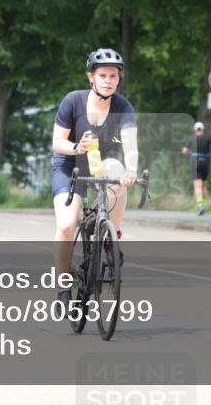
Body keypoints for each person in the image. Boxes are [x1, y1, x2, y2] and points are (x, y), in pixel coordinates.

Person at [51, 48, 138, 306]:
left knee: (119, 173)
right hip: (69, 163)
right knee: (66, 225)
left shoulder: (123, 106)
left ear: (119, 79)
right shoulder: (73, 101)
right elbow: (58, 142)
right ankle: (64, 286)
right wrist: (76, 147)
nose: (108, 80)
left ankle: (112, 236)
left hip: (103, 160)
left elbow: (130, 143)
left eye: (113, 75)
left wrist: (132, 169)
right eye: (103, 75)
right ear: (91, 77)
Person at [182, 121, 211, 215]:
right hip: (206, 162)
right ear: (202, 129)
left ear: (195, 130)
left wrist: (191, 153)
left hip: (196, 162)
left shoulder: (192, 139)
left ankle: (200, 205)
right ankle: (207, 204)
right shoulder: (208, 138)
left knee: (197, 185)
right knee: (204, 185)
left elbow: (184, 151)